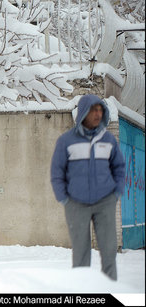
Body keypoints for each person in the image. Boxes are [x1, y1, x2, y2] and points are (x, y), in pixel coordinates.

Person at [50, 94, 125, 281]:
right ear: (83, 112)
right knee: (81, 253)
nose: (97, 114)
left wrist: (116, 193)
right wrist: (64, 199)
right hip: (76, 203)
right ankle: (82, 291)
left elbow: (119, 167)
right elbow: (57, 172)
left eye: (100, 110)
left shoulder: (108, 139)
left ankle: (110, 290)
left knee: (108, 250)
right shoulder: (66, 140)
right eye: (93, 110)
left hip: (105, 202)